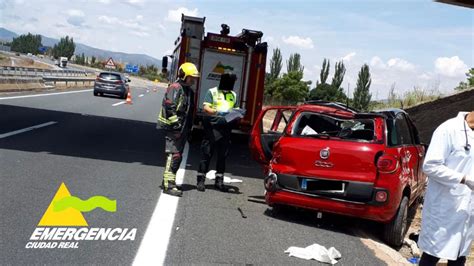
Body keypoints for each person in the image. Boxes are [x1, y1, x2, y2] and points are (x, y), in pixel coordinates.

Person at [418, 111, 474, 266]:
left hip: (467, 212)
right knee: (432, 256)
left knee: (459, 257)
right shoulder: (448, 129)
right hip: (445, 209)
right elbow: (430, 166)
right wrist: (464, 179)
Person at [157, 62, 199, 197]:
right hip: (173, 129)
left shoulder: (189, 91)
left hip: (183, 129)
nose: (193, 80)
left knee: (178, 156)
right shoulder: (175, 87)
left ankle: (170, 180)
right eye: (191, 77)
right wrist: (175, 124)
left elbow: (189, 112)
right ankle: (168, 185)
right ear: (183, 75)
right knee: (173, 156)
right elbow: (169, 106)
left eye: (194, 78)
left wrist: (190, 129)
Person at [196, 72, 239, 192]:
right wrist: (217, 112)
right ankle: (201, 180)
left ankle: (219, 181)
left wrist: (237, 114)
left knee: (222, 156)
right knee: (207, 154)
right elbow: (206, 107)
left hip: (226, 128)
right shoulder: (212, 92)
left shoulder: (233, 94)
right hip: (212, 127)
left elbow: (235, 109)